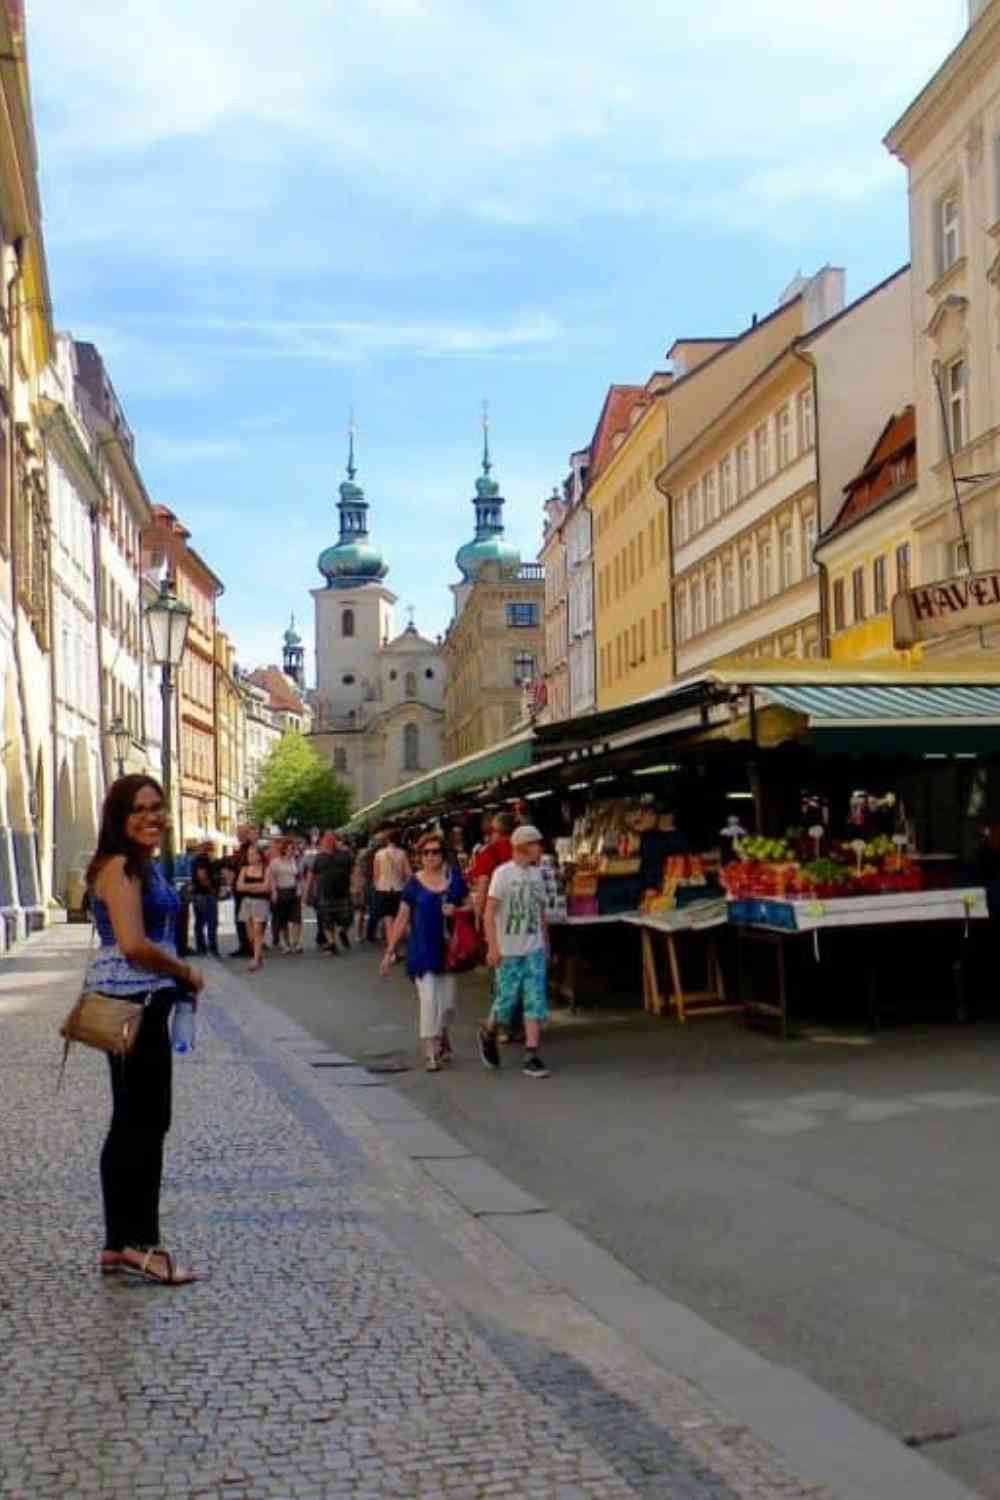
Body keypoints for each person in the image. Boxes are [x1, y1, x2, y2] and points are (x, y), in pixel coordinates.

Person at [84, 774, 203, 1285]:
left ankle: (117, 1245)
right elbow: (133, 944)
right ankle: (142, 1245)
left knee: (131, 1119)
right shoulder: (119, 868)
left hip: (140, 1000)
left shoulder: (140, 865)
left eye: (158, 807)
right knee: (147, 1122)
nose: (152, 816)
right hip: (136, 1001)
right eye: (139, 809)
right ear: (119, 816)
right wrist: (185, 972)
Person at [381, 831, 469, 1071]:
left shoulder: (454, 879)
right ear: (419, 856)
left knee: (448, 1003)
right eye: (425, 852)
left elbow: (471, 904)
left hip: (448, 950)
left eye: (435, 852)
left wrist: (458, 911)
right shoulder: (414, 884)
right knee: (429, 1000)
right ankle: (430, 1050)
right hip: (422, 950)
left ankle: (441, 1034)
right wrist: (390, 951)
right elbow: (401, 918)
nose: (430, 856)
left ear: (443, 854)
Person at [477, 824, 550, 1080]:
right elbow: (489, 912)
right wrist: (493, 946)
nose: (540, 848)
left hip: (533, 948)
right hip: (508, 949)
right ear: (522, 846)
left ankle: (532, 1053)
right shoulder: (502, 874)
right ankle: (488, 1030)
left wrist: (545, 942)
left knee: (535, 999)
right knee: (506, 1000)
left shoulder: (537, 875)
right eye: (536, 844)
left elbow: (541, 912)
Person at [307, 831, 355, 954]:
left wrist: (355, 887)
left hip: (343, 892)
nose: (329, 841)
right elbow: (311, 876)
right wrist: (307, 892)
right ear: (322, 841)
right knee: (327, 920)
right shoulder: (319, 857)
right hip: (325, 893)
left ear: (335, 840)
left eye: (331, 839)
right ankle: (332, 943)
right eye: (327, 839)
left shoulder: (345, 855)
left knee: (348, 918)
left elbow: (353, 871)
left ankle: (342, 931)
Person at [235, 842, 272, 972]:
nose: (250, 857)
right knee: (250, 935)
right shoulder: (244, 869)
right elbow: (239, 887)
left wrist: (248, 887)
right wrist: (257, 887)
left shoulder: (266, 869)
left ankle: (255, 960)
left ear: (259, 856)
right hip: (247, 903)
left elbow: (266, 887)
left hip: (261, 903)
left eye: (253, 854)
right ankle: (258, 955)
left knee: (257, 930)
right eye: (249, 854)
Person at [372, 829, 411, 947]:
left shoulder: (379, 854)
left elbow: (376, 874)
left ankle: (392, 950)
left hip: (383, 889)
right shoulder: (402, 853)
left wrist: (377, 886)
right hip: (399, 889)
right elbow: (408, 873)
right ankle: (405, 944)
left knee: (388, 922)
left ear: (387, 840)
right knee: (401, 921)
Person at [226, 823, 257, 958]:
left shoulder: (249, 849)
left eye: (240, 833)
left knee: (245, 919)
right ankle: (245, 946)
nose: (238, 835)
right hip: (240, 889)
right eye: (238, 833)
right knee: (241, 919)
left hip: (245, 889)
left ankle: (248, 947)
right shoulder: (242, 849)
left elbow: (243, 867)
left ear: (246, 834)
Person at [269, 837, 303, 953]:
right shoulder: (275, 862)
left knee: (296, 919)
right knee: (283, 920)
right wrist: (273, 892)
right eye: (288, 849)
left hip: (294, 891)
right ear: (283, 850)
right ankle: (286, 944)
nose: (291, 851)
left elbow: (299, 877)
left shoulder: (296, 861)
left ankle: (296, 943)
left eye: (292, 849)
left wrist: (299, 889)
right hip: (281, 891)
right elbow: (272, 879)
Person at [190, 839, 221, 956]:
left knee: (200, 922)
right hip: (205, 894)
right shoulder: (202, 859)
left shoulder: (197, 859)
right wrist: (211, 888)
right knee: (211, 922)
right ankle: (211, 948)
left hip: (199, 894)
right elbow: (202, 876)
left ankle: (201, 947)